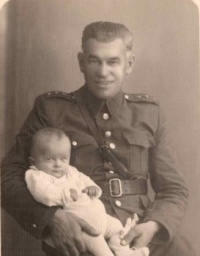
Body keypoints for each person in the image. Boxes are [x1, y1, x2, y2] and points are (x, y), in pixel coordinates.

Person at [1, 21, 197, 256]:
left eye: (113, 61)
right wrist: (51, 218)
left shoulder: (149, 113)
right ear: (81, 63)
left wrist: (154, 225)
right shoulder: (51, 109)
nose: (103, 72)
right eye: (94, 61)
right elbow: (7, 176)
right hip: (83, 235)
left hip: (140, 230)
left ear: (129, 63)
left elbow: (173, 189)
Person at [25, 127, 149, 256]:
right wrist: (65, 195)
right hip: (81, 227)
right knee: (103, 252)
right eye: (50, 159)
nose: (58, 164)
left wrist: (93, 188)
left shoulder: (71, 171)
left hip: (100, 217)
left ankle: (125, 252)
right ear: (33, 161)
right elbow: (43, 193)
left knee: (117, 227)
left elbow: (84, 179)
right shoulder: (36, 175)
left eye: (63, 159)